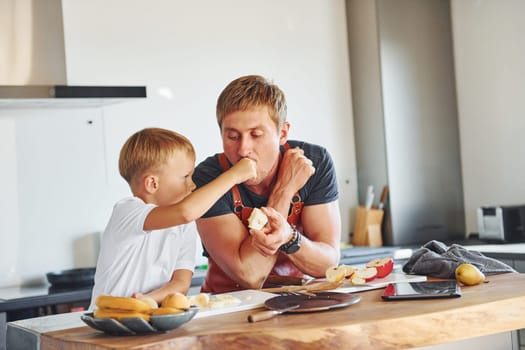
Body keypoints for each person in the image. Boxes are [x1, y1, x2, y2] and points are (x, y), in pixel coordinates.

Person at [193, 75, 342, 293]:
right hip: (228, 305)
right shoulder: (208, 178)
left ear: (282, 133)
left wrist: (289, 238)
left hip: (299, 301)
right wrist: (285, 189)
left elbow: (328, 264)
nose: (243, 149)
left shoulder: (314, 161)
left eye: (256, 135)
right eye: (233, 136)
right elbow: (251, 275)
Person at [89, 127, 256, 308]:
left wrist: (145, 301)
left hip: (148, 318)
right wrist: (234, 176)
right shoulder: (127, 211)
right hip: (105, 322)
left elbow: (181, 284)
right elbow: (185, 212)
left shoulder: (184, 226)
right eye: (185, 177)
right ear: (152, 183)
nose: (192, 184)